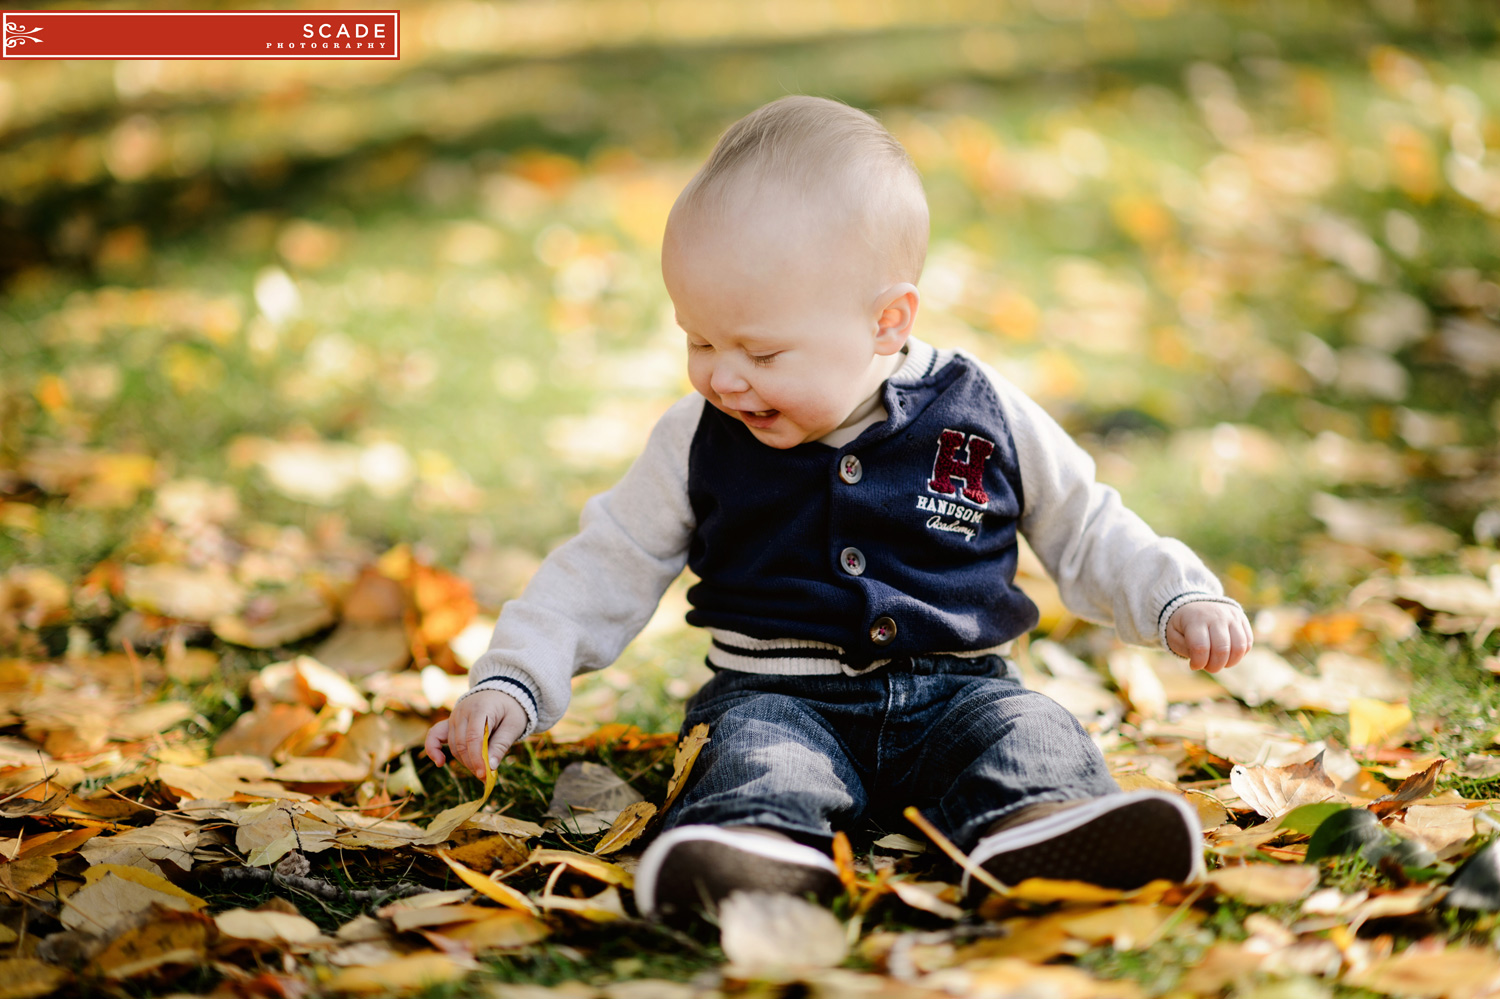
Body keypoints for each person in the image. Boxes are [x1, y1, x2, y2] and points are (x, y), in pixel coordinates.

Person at [425, 95, 1254, 920]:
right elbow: (608, 558)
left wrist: (1173, 593)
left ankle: (1042, 828)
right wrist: (516, 678)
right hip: (776, 696)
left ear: (887, 321)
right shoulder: (698, 437)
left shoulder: (981, 411)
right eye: (699, 339)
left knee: (1032, 730)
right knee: (753, 756)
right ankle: (761, 850)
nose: (723, 376)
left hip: (959, 691)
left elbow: (1086, 521)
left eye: (760, 349)